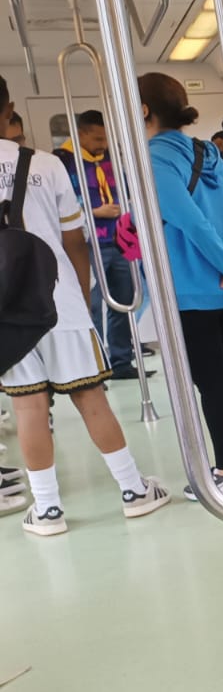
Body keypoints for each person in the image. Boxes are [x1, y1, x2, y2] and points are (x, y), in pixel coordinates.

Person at [0, 76, 170, 533]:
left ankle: (49, 509)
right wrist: (76, 292)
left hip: (4, 315)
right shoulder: (46, 164)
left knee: (29, 408)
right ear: (9, 108)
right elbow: (75, 239)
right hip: (58, 302)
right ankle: (133, 490)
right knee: (90, 397)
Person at [138, 74, 223, 500]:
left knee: (211, 381)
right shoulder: (211, 154)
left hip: (189, 289)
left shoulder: (155, 159)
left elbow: (190, 223)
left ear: (143, 111)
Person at [54, 110, 142, 379]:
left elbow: (126, 189)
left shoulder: (111, 159)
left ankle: (121, 361)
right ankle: (94, 365)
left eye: (105, 138)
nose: (102, 144)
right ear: (79, 134)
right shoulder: (62, 161)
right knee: (88, 304)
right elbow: (60, 202)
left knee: (124, 300)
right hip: (85, 242)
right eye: (97, 138)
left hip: (119, 240)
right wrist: (94, 211)